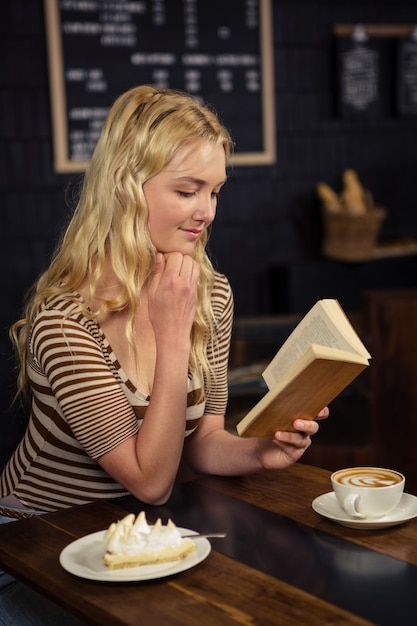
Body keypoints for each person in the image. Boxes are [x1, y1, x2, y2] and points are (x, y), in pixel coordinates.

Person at [0, 84, 327, 624]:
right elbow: (150, 480)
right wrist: (172, 334)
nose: (207, 212)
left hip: (133, 541)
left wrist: (259, 451)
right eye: (187, 190)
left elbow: (201, 442)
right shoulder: (65, 320)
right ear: (124, 187)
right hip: (32, 543)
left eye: (216, 191)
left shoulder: (210, 293)